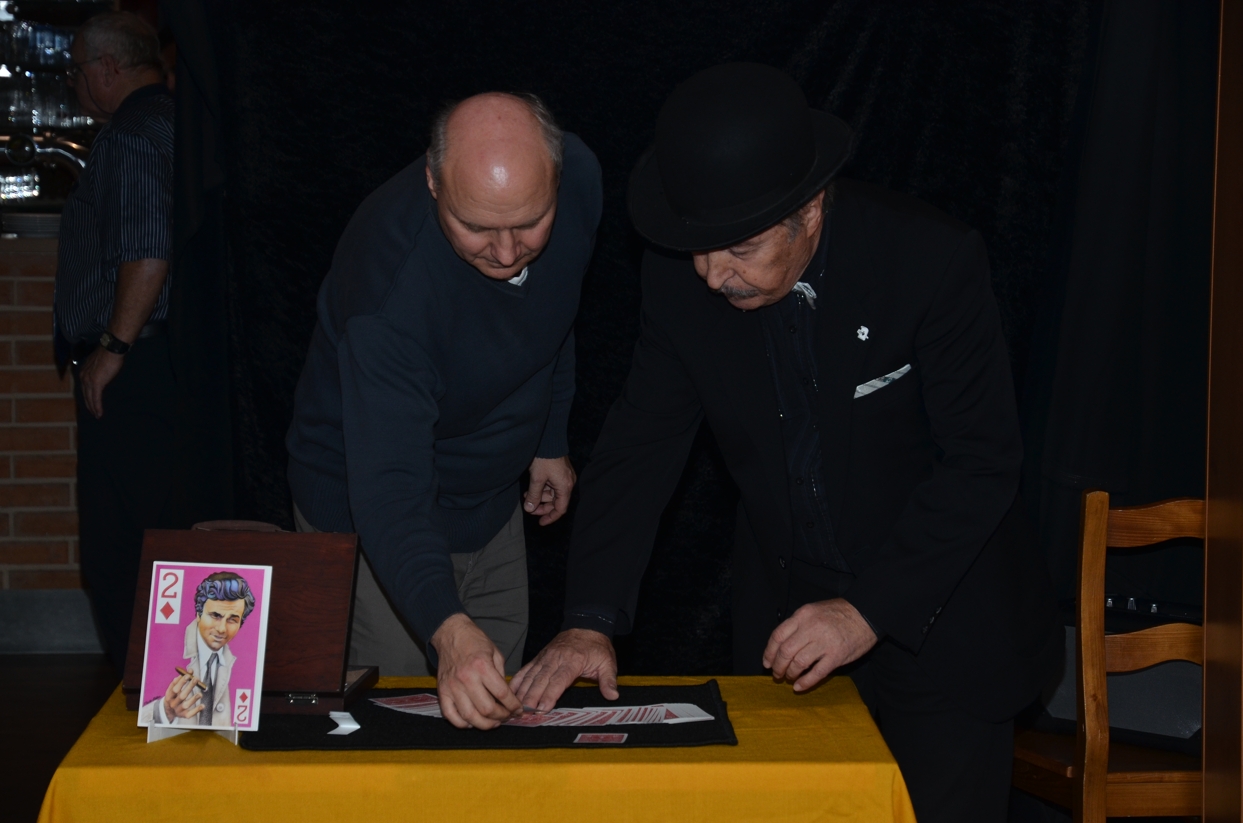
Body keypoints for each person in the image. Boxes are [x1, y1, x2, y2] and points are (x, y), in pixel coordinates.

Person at [514, 64, 1060, 822]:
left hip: (939, 616)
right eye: (699, 247)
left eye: (739, 248)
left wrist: (866, 609)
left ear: (809, 207)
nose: (712, 274)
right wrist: (589, 619)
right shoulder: (680, 283)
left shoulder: (927, 262)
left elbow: (982, 462)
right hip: (790, 629)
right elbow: (638, 449)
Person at [286, 92, 602, 731]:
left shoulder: (579, 180)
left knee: (496, 718)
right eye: (477, 228)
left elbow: (554, 310)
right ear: (433, 183)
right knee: (396, 734)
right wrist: (446, 627)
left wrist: (549, 436)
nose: (507, 253)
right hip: (369, 515)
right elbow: (390, 488)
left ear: (555, 177)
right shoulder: (387, 288)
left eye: (530, 223)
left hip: (487, 501)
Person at [54, 11, 175, 677]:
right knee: (163, 538)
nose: (74, 84)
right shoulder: (178, 121)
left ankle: (144, 699)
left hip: (137, 369)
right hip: (168, 367)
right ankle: (172, 694)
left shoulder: (130, 134)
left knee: (120, 552)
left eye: (76, 70)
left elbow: (147, 252)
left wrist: (112, 347)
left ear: (106, 68)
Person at [139, 572, 256, 726]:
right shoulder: (163, 648)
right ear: (199, 615)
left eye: (232, 620)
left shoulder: (248, 662)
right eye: (215, 615)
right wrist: (165, 710)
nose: (222, 629)